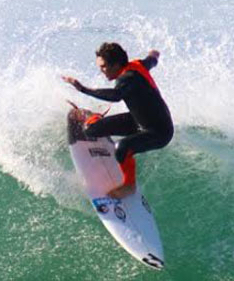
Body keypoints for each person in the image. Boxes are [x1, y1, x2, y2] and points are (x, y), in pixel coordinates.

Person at [62, 42, 173, 199]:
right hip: (138, 120)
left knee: (122, 147)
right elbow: (150, 61)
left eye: (104, 67)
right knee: (91, 129)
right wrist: (154, 55)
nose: (101, 71)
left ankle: (129, 186)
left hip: (159, 131)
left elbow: (116, 95)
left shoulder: (128, 77)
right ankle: (96, 119)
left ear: (116, 64)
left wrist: (82, 89)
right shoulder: (137, 65)